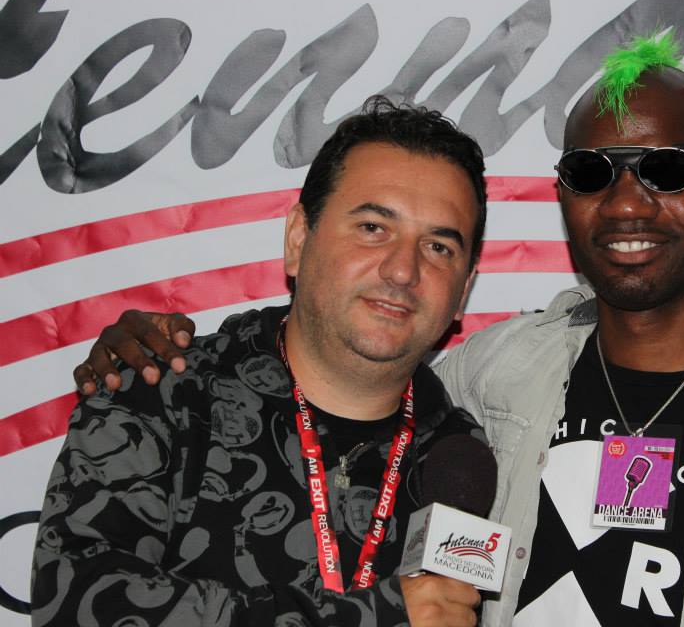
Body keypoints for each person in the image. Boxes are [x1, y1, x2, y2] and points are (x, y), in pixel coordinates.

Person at [71, 34, 684, 626]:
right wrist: (153, 350)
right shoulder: (489, 379)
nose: (627, 203)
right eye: (593, 172)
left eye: (666, 170)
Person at [34, 97, 492, 627]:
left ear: (462, 292)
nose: (403, 270)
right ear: (299, 239)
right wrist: (373, 618)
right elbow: (78, 606)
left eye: (439, 248)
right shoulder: (163, 390)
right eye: (373, 227)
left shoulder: (461, 456)